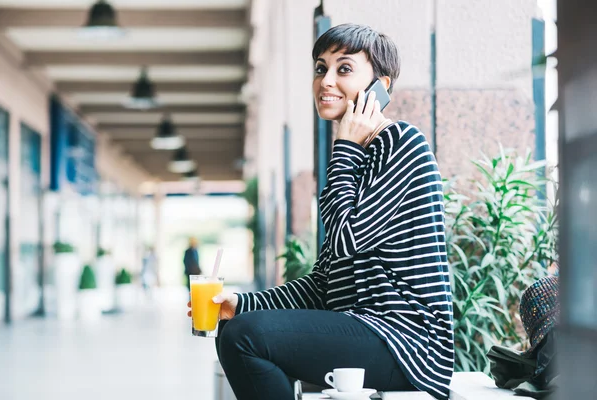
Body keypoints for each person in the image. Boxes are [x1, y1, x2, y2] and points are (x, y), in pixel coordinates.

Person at [187, 23, 454, 400]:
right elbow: (324, 284)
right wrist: (242, 303)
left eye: (344, 69)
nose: (326, 80)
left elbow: (347, 239)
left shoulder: (400, 143)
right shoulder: (357, 157)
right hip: (363, 329)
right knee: (235, 328)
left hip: (406, 343)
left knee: (246, 337)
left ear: (383, 85)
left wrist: (345, 145)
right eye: (320, 68)